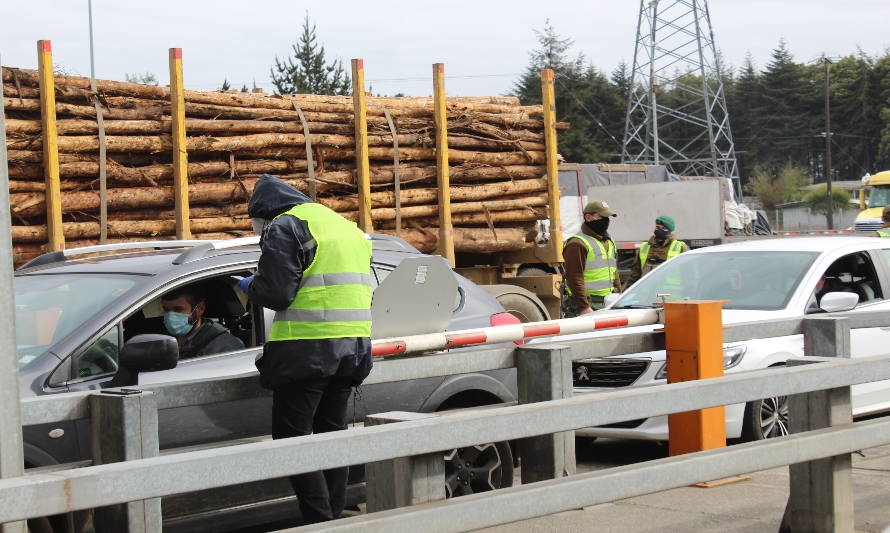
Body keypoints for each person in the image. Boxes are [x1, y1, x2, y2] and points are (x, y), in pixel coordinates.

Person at [238, 174, 373, 524]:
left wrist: (251, 284)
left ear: (264, 212)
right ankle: (334, 515)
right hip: (354, 347)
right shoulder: (344, 226)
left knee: (293, 440)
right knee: (331, 435)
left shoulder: (286, 225)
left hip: (306, 350)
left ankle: (318, 520)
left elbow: (276, 293)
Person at [562, 200, 620, 316]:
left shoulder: (609, 241)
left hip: (608, 302)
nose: (606, 221)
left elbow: (614, 271)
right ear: (588, 218)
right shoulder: (577, 243)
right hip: (588, 305)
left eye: (607, 217)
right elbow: (574, 277)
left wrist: (619, 294)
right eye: (602, 217)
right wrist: (584, 306)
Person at [160, 287, 244, 359]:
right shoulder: (162, 340)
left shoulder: (225, 347)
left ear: (200, 308)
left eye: (178, 309)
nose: (170, 316)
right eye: (166, 310)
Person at [625, 215, 689, 287]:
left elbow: (688, 275)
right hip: (647, 294)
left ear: (670, 230)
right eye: (657, 227)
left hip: (670, 295)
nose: (659, 230)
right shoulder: (644, 247)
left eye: (663, 228)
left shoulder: (680, 248)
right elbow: (635, 275)